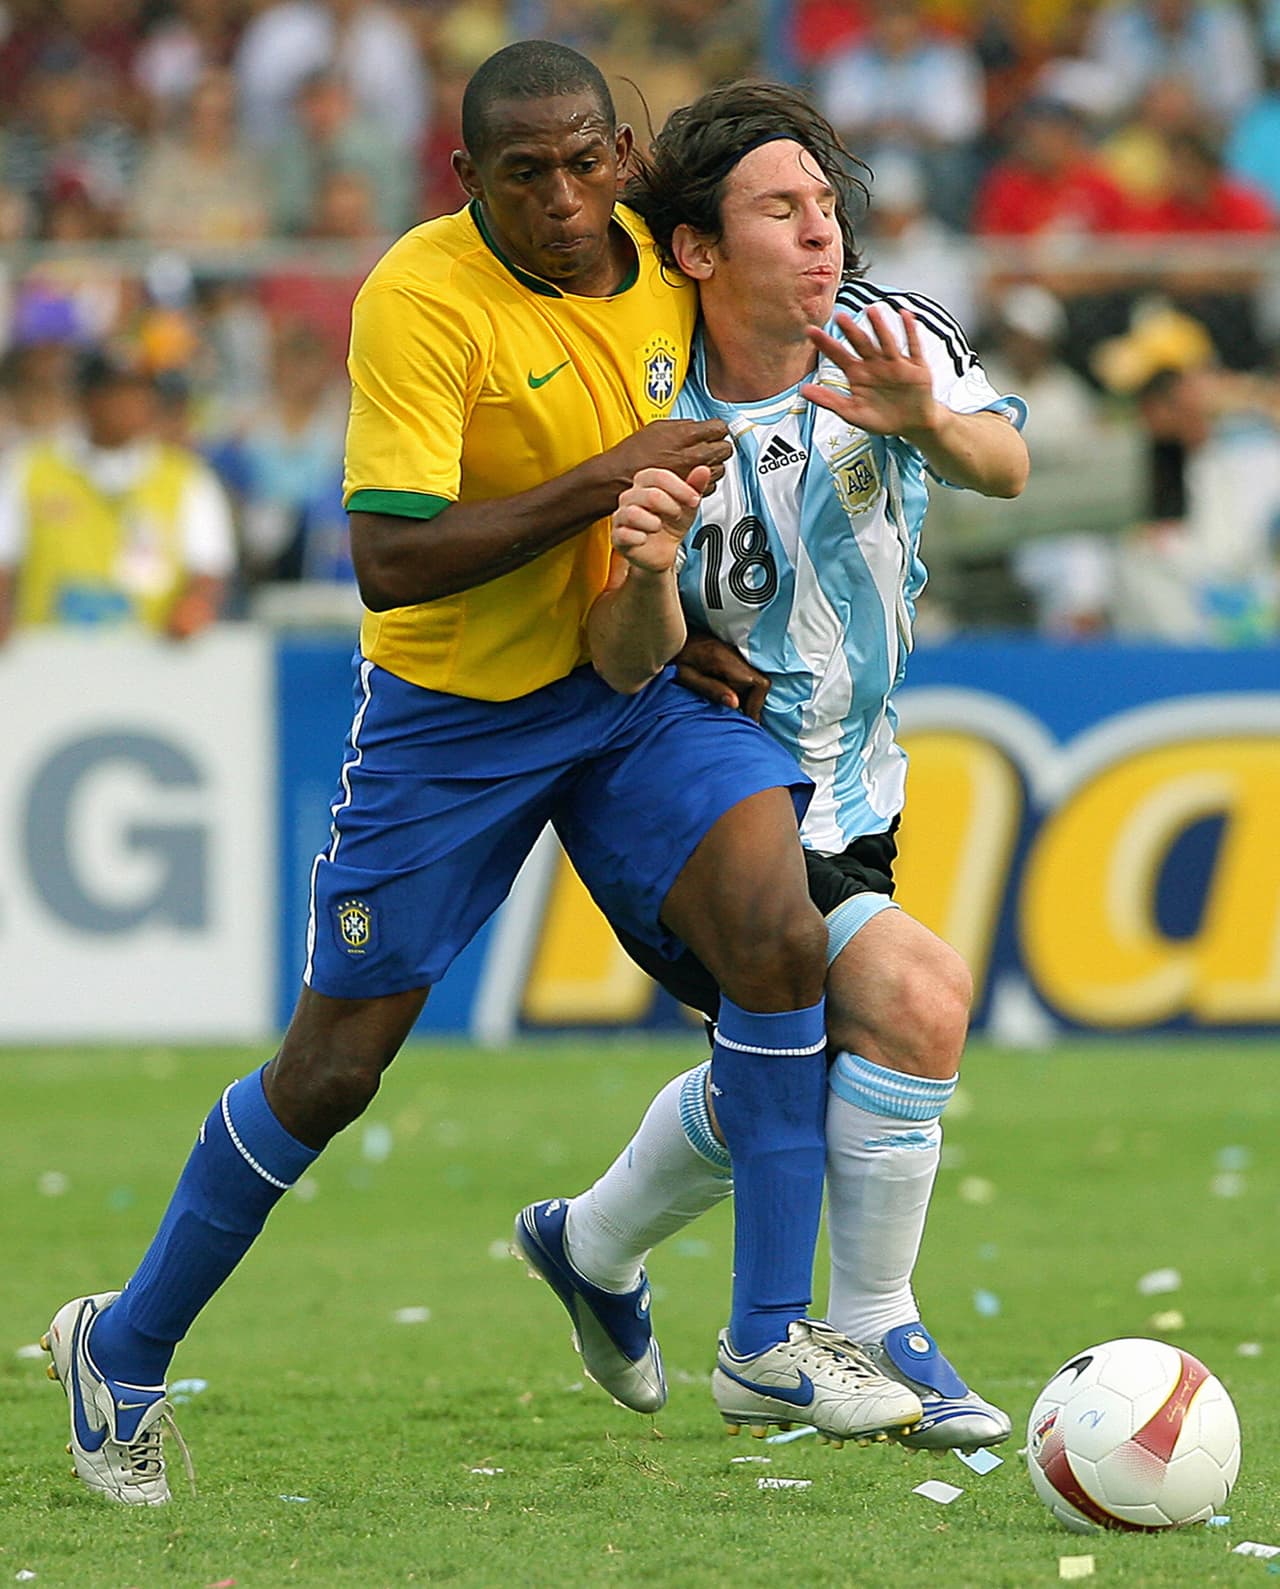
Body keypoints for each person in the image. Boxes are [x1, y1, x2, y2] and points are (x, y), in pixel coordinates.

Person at [41, 40, 920, 1507]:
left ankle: (769, 1337)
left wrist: (692, 610)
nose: (568, 201)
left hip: (624, 675)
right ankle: (120, 1348)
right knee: (332, 1072)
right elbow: (388, 558)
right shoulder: (420, 295)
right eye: (528, 175)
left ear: (623, 159)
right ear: (469, 178)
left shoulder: (658, 258)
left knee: (781, 936)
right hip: (453, 716)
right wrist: (601, 480)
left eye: (588, 163)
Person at [514, 79, 1029, 1451]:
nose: (821, 237)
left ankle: (589, 1242)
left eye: (826, 209)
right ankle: (868, 1323)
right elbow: (625, 655)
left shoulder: (886, 336)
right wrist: (641, 567)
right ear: (695, 248)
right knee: (913, 999)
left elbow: (1009, 463)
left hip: (858, 783)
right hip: (701, 787)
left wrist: (921, 421)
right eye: (781, 211)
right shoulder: (646, 393)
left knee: (786, 1079)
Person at [0, 348, 234, 645]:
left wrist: (193, 608)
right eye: (116, 392)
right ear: (86, 399)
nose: (130, 405)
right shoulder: (29, 471)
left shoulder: (187, 478)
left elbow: (208, 569)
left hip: (151, 661)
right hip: (50, 659)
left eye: (140, 393)